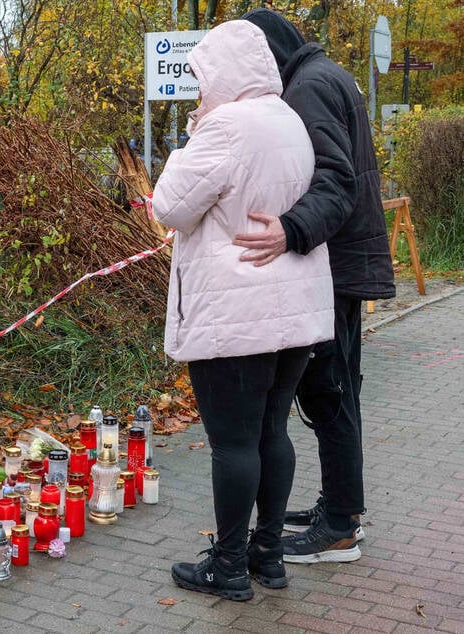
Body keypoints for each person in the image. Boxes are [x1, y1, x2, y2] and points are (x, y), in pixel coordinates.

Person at [149, 20, 334, 601]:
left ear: (223, 73)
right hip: (291, 310)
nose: (199, 91)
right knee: (271, 432)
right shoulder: (288, 119)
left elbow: (169, 206)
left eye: (203, 78)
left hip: (235, 314)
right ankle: (268, 555)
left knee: (232, 443)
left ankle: (228, 568)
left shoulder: (225, 125)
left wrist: (195, 133)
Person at [237, 8, 396, 564]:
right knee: (339, 391)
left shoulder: (305, 91)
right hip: (348, 263)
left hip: (335, 267)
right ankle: (341, 504)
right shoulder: (327, 74)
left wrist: (290, 229)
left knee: (328, 394)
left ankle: (340, 526)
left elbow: (335, 179)